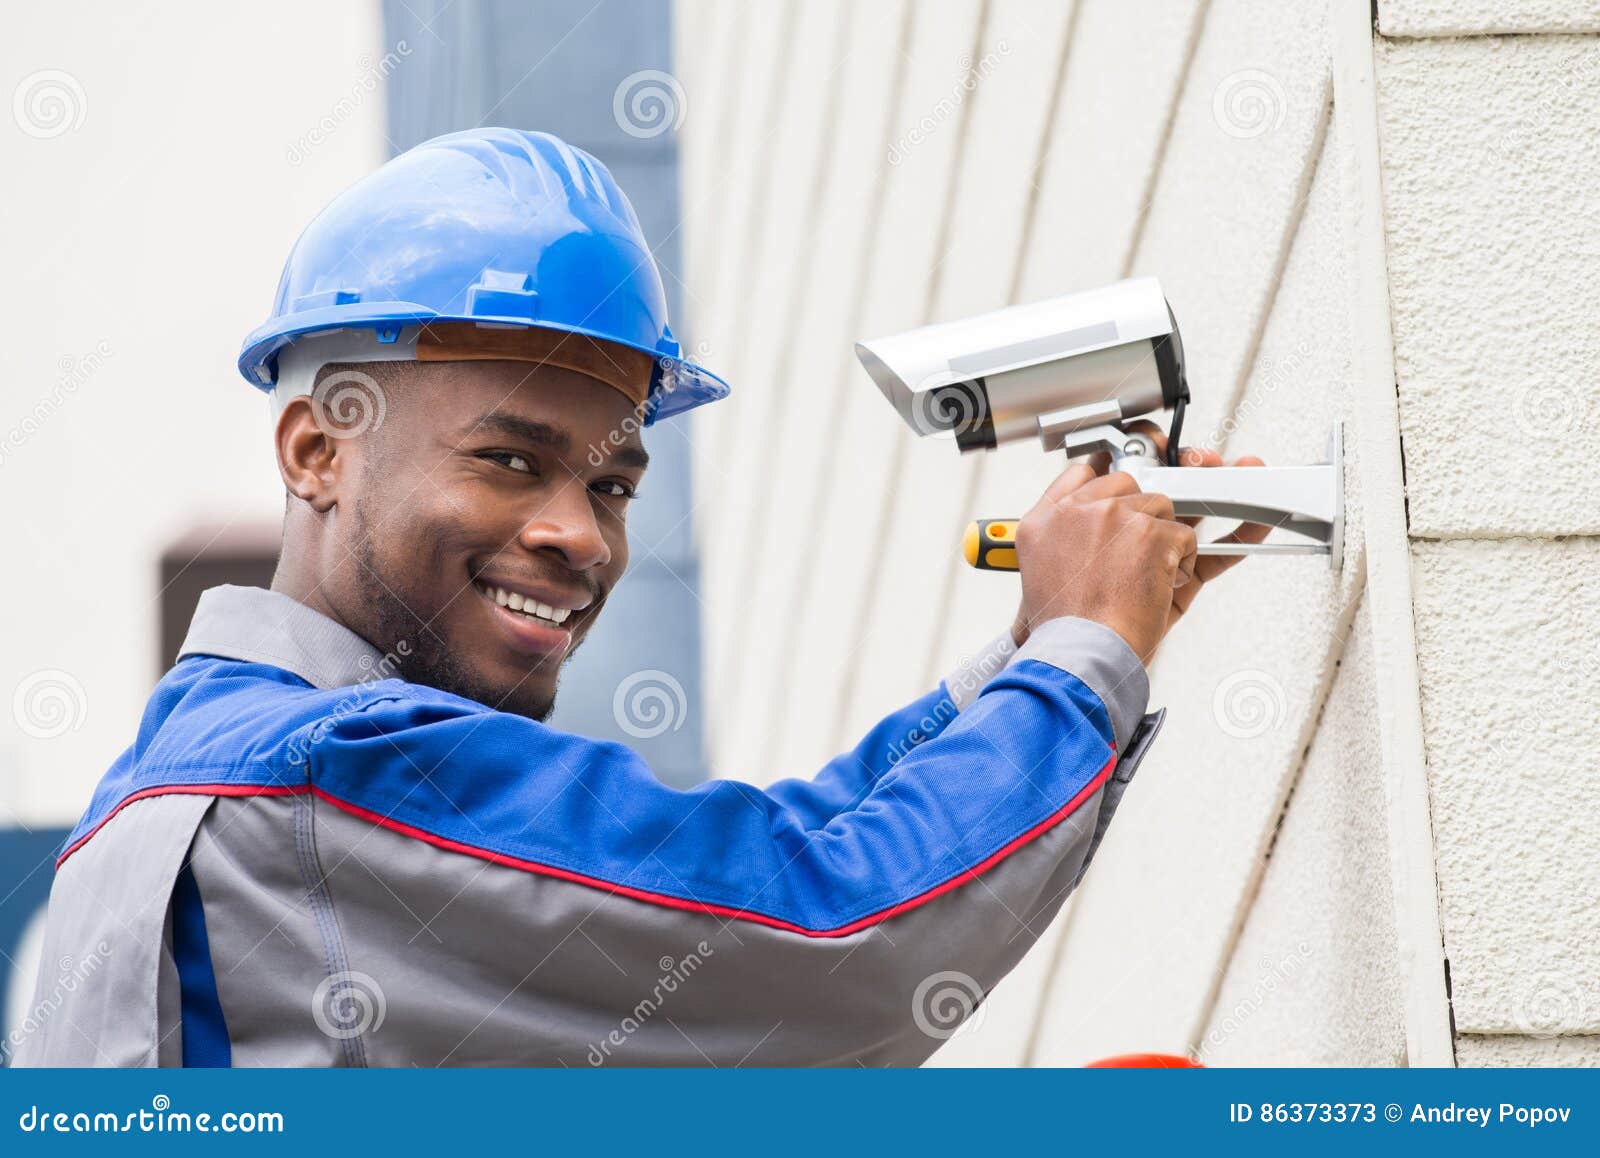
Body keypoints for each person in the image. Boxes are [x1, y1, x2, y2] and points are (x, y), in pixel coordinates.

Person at [16, 128, 1265, 1067]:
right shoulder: (317, 773)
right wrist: (1085, 658)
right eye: (510, 460)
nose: (577, 534)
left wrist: (1041, 642)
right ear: (316, 450)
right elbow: (826, 930)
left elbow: (774, 864)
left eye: (612, 483)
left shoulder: (174, 797)